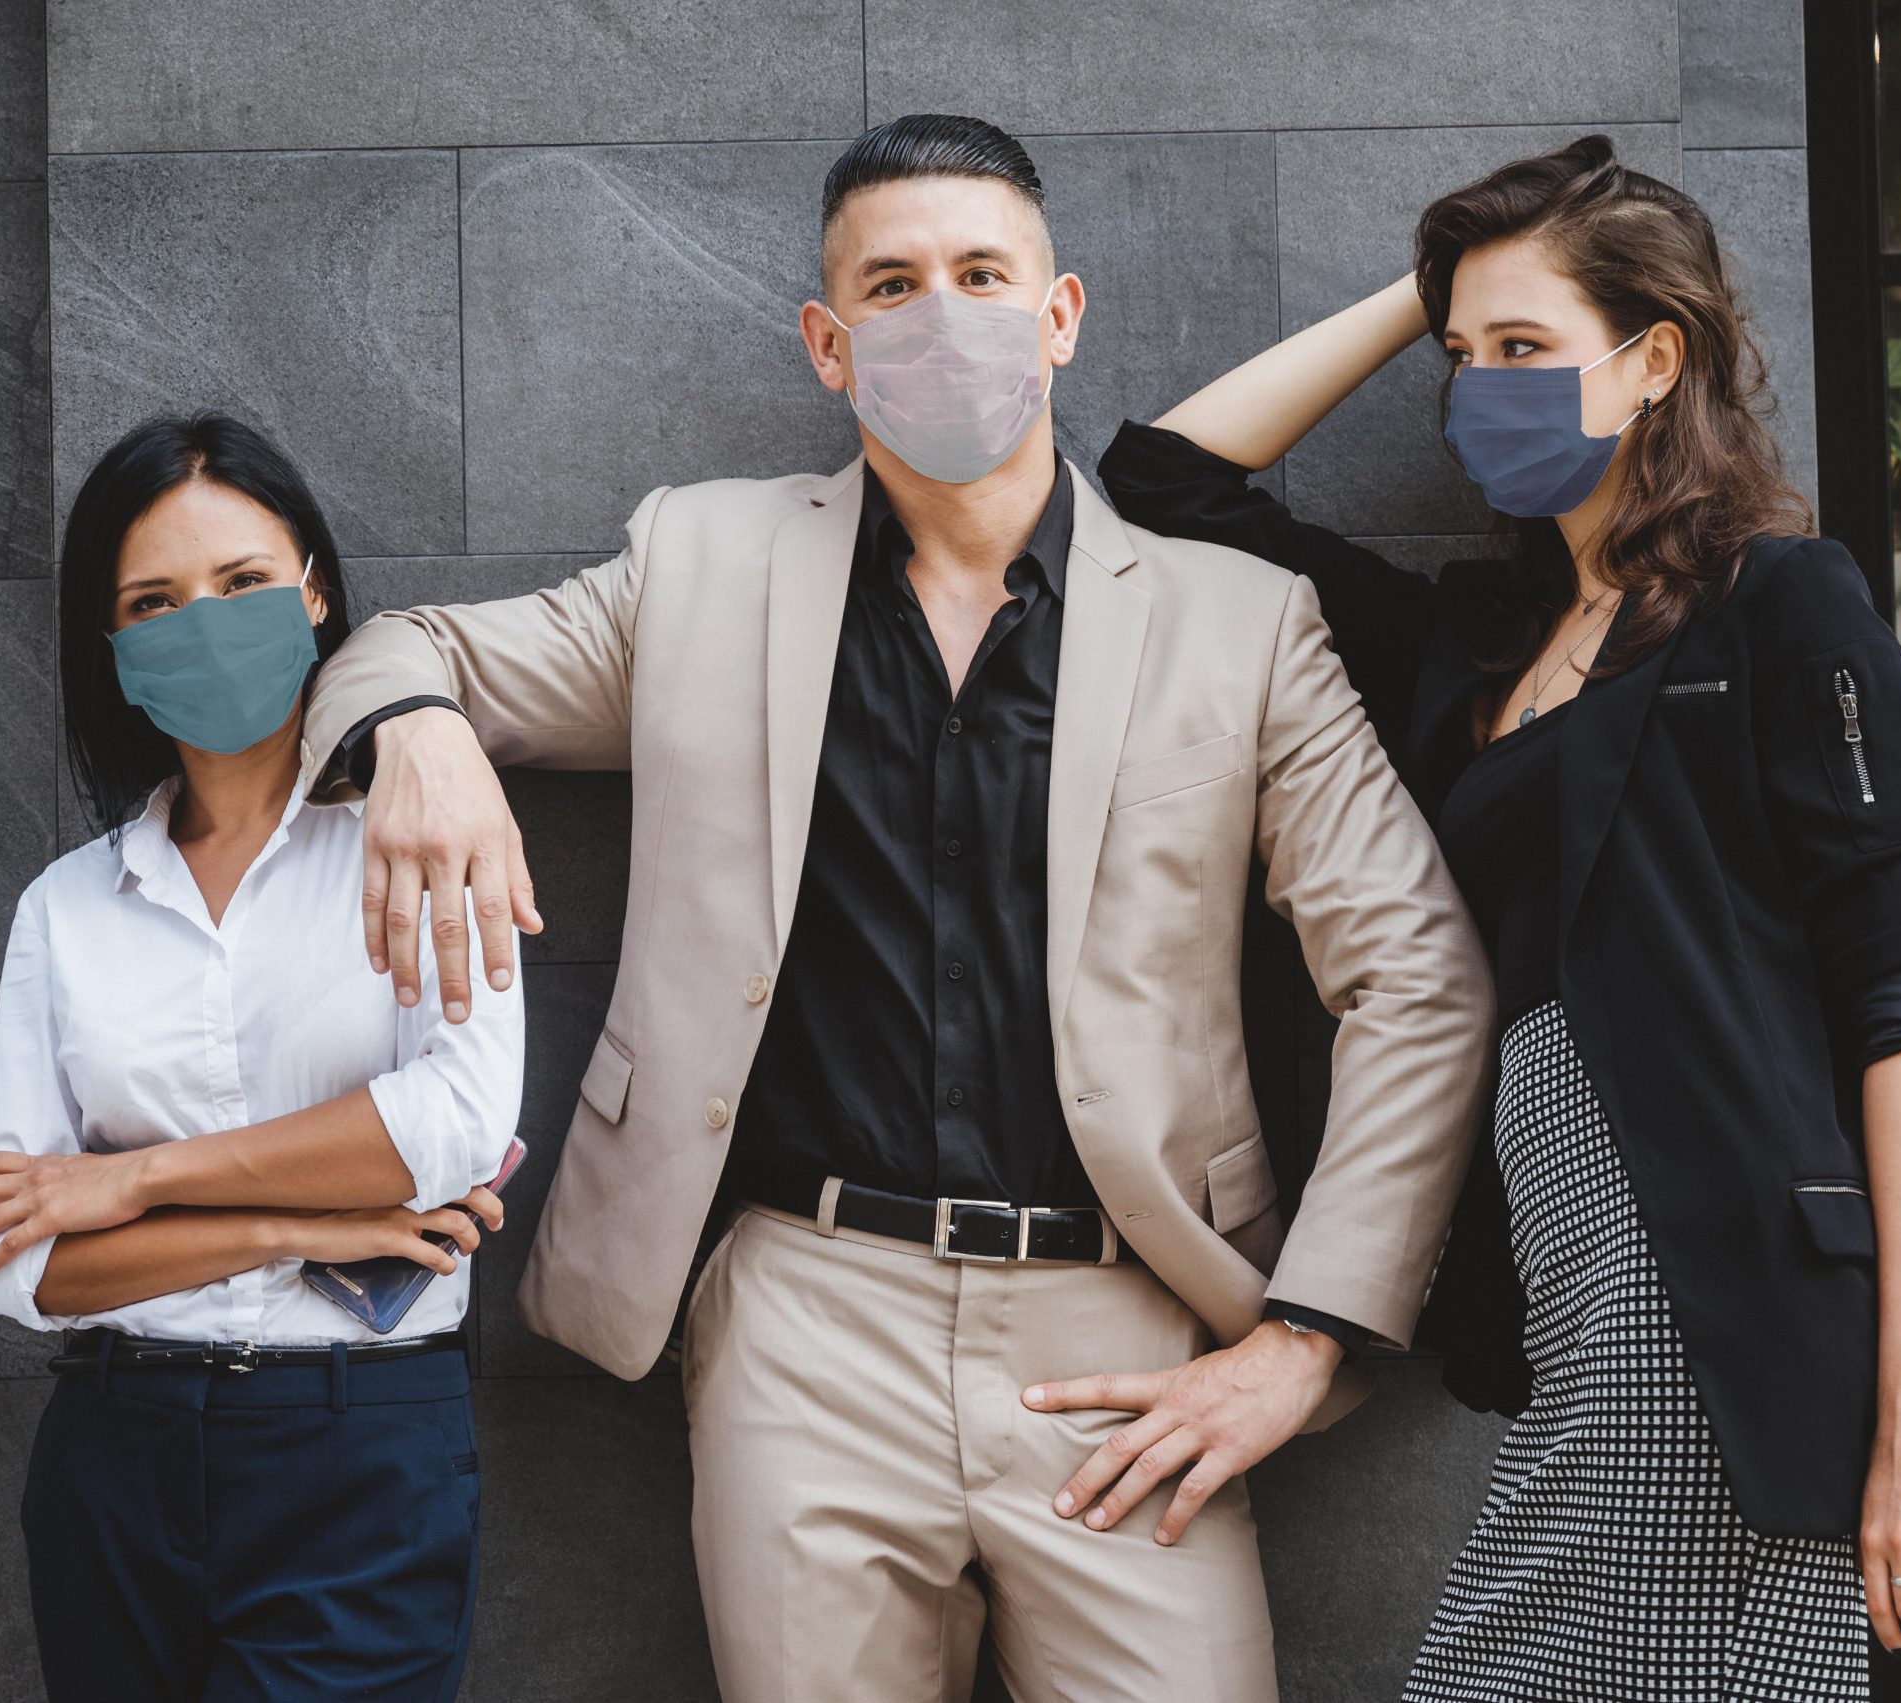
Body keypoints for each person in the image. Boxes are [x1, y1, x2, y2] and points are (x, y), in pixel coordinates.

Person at [301, 114, 1494, 1703]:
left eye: (983, 275)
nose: (943, 315)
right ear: (829, 341)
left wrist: (1307, 1336)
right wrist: (422, 735)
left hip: (1132, 1324)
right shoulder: (701, 563)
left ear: (1059, 316)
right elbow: (405, 647)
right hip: (807, 1318)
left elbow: (1418, 975)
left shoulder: (1243, 623)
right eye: (893, 284)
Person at [1096, 134, 1901, 1702]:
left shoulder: (1779, 601)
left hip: (1720, 1292)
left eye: (1524, 346)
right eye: (1462, 356)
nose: (1476, 385)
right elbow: (1165, 485)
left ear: (1654, 361)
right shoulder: (1477, 641)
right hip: (1568, 1272)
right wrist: (1426, 288)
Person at [0, 413, 525, 1702]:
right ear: (111, 647)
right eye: (153, 601)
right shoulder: (67, 908)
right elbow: (3, 1259)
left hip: (359, 1451)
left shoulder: (423, 843)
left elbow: (453, 1129)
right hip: (114, 1457)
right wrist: (286, 1224)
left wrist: (132, 1181)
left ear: (314, 591)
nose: (202, 623)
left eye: (244, 581)